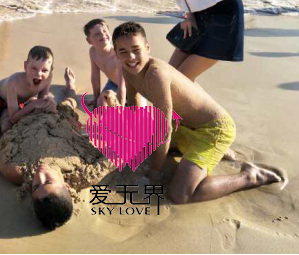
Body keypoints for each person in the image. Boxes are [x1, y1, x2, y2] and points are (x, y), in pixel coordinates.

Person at [112, 22, 287, 204]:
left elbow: (164, 131)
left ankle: (250, 176)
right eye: (123, 51)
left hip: (214, 129)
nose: (131, 57)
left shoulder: (156, 74)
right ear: (116, 53)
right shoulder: (128, 70)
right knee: (147, 144)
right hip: (185, 125)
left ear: (147, 47)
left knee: (180, 195)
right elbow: (134, 108)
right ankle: (205, 149)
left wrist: (154, 173)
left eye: (136, 49)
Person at [0, 68, 117, 230]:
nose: (40, 175)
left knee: (4, 125)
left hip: (32, 116)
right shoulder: (85, 174)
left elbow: (1, 147)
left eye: (36, 186)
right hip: (63, 119)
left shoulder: (16, 171)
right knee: (70, 102)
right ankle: (71, 86)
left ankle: (35, 93)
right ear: (67, 188)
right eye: (48, 181)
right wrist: (112, 109)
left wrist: (26, 115)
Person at [83, 19, 127, 107]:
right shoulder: (93, 52)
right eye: (97, 34)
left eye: (105, 31)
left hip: (129, 87)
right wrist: (96, 99)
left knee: (133, 108)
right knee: (101, 104)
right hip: (113, 83)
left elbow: (122, 85)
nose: (103, 35)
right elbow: (95, 77)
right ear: (89, 40)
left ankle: (125, 104)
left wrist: (120, 108)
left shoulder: (117, 54)